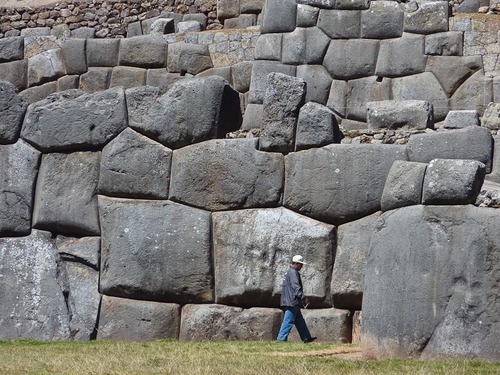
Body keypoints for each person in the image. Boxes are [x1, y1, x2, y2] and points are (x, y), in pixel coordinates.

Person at [276, 255, 317, 343]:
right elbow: (295, 286)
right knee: (288, 320)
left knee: (299, 320)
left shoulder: (289, 272)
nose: (301, 267)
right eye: (301, 264)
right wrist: (303, 297)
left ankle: (306, 337)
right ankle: (281, 339)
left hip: (289, 300)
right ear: (297, 264)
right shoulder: (293, 272)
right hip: (292, 301)